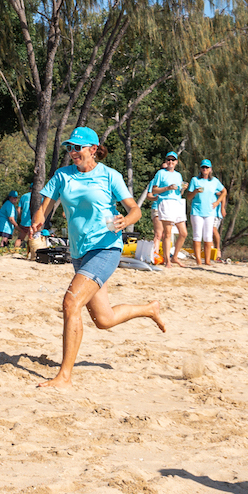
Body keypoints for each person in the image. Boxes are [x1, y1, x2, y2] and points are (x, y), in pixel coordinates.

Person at [25, 127, 166, 389]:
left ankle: (64, 377)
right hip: (79, 252)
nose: (72, 152)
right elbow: (45, 204)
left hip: (106, 248)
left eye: (78, 148)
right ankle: (149, 309)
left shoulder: (109, 176)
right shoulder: (63, 176)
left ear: (93, 149)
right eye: (70, 148)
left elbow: (135, 210)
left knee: (71, 303)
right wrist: (38, 217)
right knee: (104, 320)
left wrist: (126, 221)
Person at [139, 152, 188, 267]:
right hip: (165, 202)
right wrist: (167, 188)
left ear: (176, 162)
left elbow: (178, 192)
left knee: (183, 233)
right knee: (167, 233)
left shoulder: (178, 175)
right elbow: (154, 190)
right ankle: (167, 260)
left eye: (173, 160)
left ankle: (174, 256)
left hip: (177, 202)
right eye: (168, 160)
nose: (170, 162)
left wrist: (183, 189)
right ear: (166, 161)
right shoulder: (161, 173)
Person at [185, 160, 227, 266]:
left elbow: (224, 191)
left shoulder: (214, 181)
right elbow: (189, 197)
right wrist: (195, 191)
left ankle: (207, 261)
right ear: (200, 169)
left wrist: (218, 202)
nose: (205, 169)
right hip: (197, 211)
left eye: (207, 168)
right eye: (203, 167)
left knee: (208, 236)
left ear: (210, 169)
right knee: (197, 235)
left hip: (210, 212)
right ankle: (198, 260)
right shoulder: (195, 180)